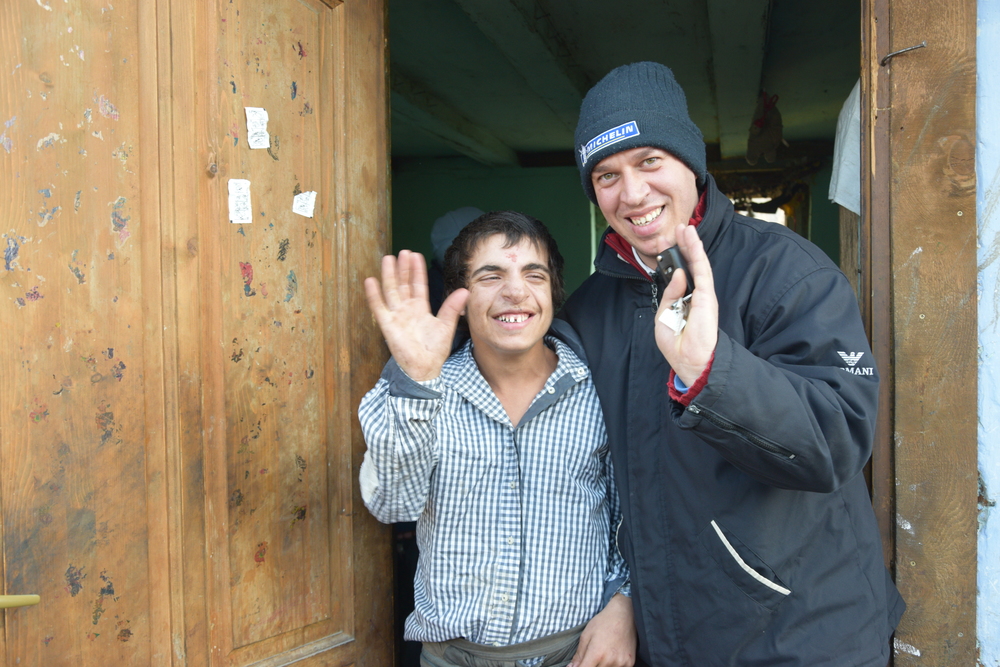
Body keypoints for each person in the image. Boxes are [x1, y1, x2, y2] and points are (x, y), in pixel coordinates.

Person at [559, 62, 906, 666]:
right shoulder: (589, 311)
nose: (632, 193)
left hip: (803, 637)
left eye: (649, 161)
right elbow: (581, 473)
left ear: (691, 164)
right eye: (606, 175)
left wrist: (712, 373)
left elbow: (838, 440)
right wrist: (622, 595)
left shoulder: (786, 271)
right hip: (671, 640)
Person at [358, 211, 636, 667]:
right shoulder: (421, 391)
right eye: (491, 276)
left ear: (553, 291)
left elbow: (633, 519)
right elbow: (393, 505)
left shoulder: (599, 390)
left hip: (576, 653)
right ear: (459, 296)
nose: (516, 291)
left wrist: (625, 602)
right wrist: (417, 382)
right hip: (453, 657)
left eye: (534, 275)